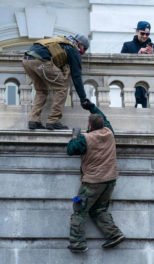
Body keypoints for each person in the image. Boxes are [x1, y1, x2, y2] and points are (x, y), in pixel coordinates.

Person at [66, 101, 125, 253]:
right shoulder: (109, 132)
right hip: (110, 180)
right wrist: (92, 107)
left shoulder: (85, 138)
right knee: (99, 209)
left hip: (92, 182)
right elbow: (103, 118)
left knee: (79, 210)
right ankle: (114, 234)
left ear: (90, 125)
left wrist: (74, 136)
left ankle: (77, 243)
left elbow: (71, 150)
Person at [23, 34, 91, 130]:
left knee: (41, 90)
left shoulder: (60, 41)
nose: (82, 53)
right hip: (41, 61)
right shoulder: (72, 49)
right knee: (62, 87)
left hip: (27, 60)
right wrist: (83, 98)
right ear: (80, 45)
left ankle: (34, 120)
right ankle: (53, 121)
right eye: (84, 50)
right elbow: (76, 77)